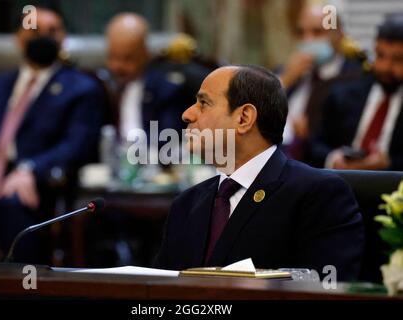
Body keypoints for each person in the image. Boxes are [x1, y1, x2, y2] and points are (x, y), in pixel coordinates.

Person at [154, 65, 364, 281]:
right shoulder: (186, 204)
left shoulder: (317, 194)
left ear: (244, 118)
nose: (187, 114)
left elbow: (328, 284)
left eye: (204, 103)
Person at [0, 8, 103, 263]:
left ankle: (21, 287)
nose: (44, 37)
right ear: (18, 37)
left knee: (12, 205)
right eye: (35, 30)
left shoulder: (81, 89)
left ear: (63, 38)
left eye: (52, 31)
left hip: (36, 186)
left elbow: (77, 143)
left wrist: (30, 168)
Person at [309, 15, 403, 171]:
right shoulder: (343, 94)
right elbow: (313, 146)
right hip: (341, 183)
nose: (385, 67)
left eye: (397, 59)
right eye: (380, 56)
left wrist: (388, 165)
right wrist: (333, 159)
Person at [278, 3, 364, 160]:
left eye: (317, 32)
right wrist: (285, 79)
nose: (308, 40)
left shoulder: (357, 78)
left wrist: (305, 140)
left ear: (339, 34)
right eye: (301, 32)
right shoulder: (288, 72)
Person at [97, 13, 202, 141]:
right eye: (112, 57)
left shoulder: (166, 88)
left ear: (145, 54)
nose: (118, 66)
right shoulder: (101, 85)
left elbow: (168, 138)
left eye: (127, 58)